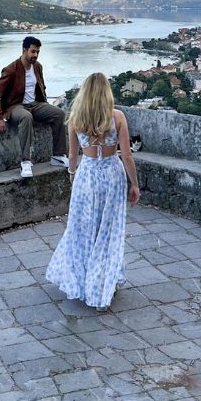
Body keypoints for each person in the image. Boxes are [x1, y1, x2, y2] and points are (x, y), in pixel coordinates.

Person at [45, 72, 140, 311]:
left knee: (83, 230)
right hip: (111, 175)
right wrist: (135, 184)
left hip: (86, 175)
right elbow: (126, 155)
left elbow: (73, 156)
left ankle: (81, 281)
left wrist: (73, 176)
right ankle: (101, 284)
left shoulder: (75, 118)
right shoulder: (117, 117)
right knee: (108, 232)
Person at [0, 36, 68, 177]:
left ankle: (58, 155)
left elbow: (42, 88)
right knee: (26, 116)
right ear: (24, 50)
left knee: (60, 114)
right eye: (32, 52)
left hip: (35, 105)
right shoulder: (11, 70)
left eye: (37, 52)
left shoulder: (37, 67)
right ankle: (25, 162)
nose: (35, 55)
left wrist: (45, 106)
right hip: (15, 107)